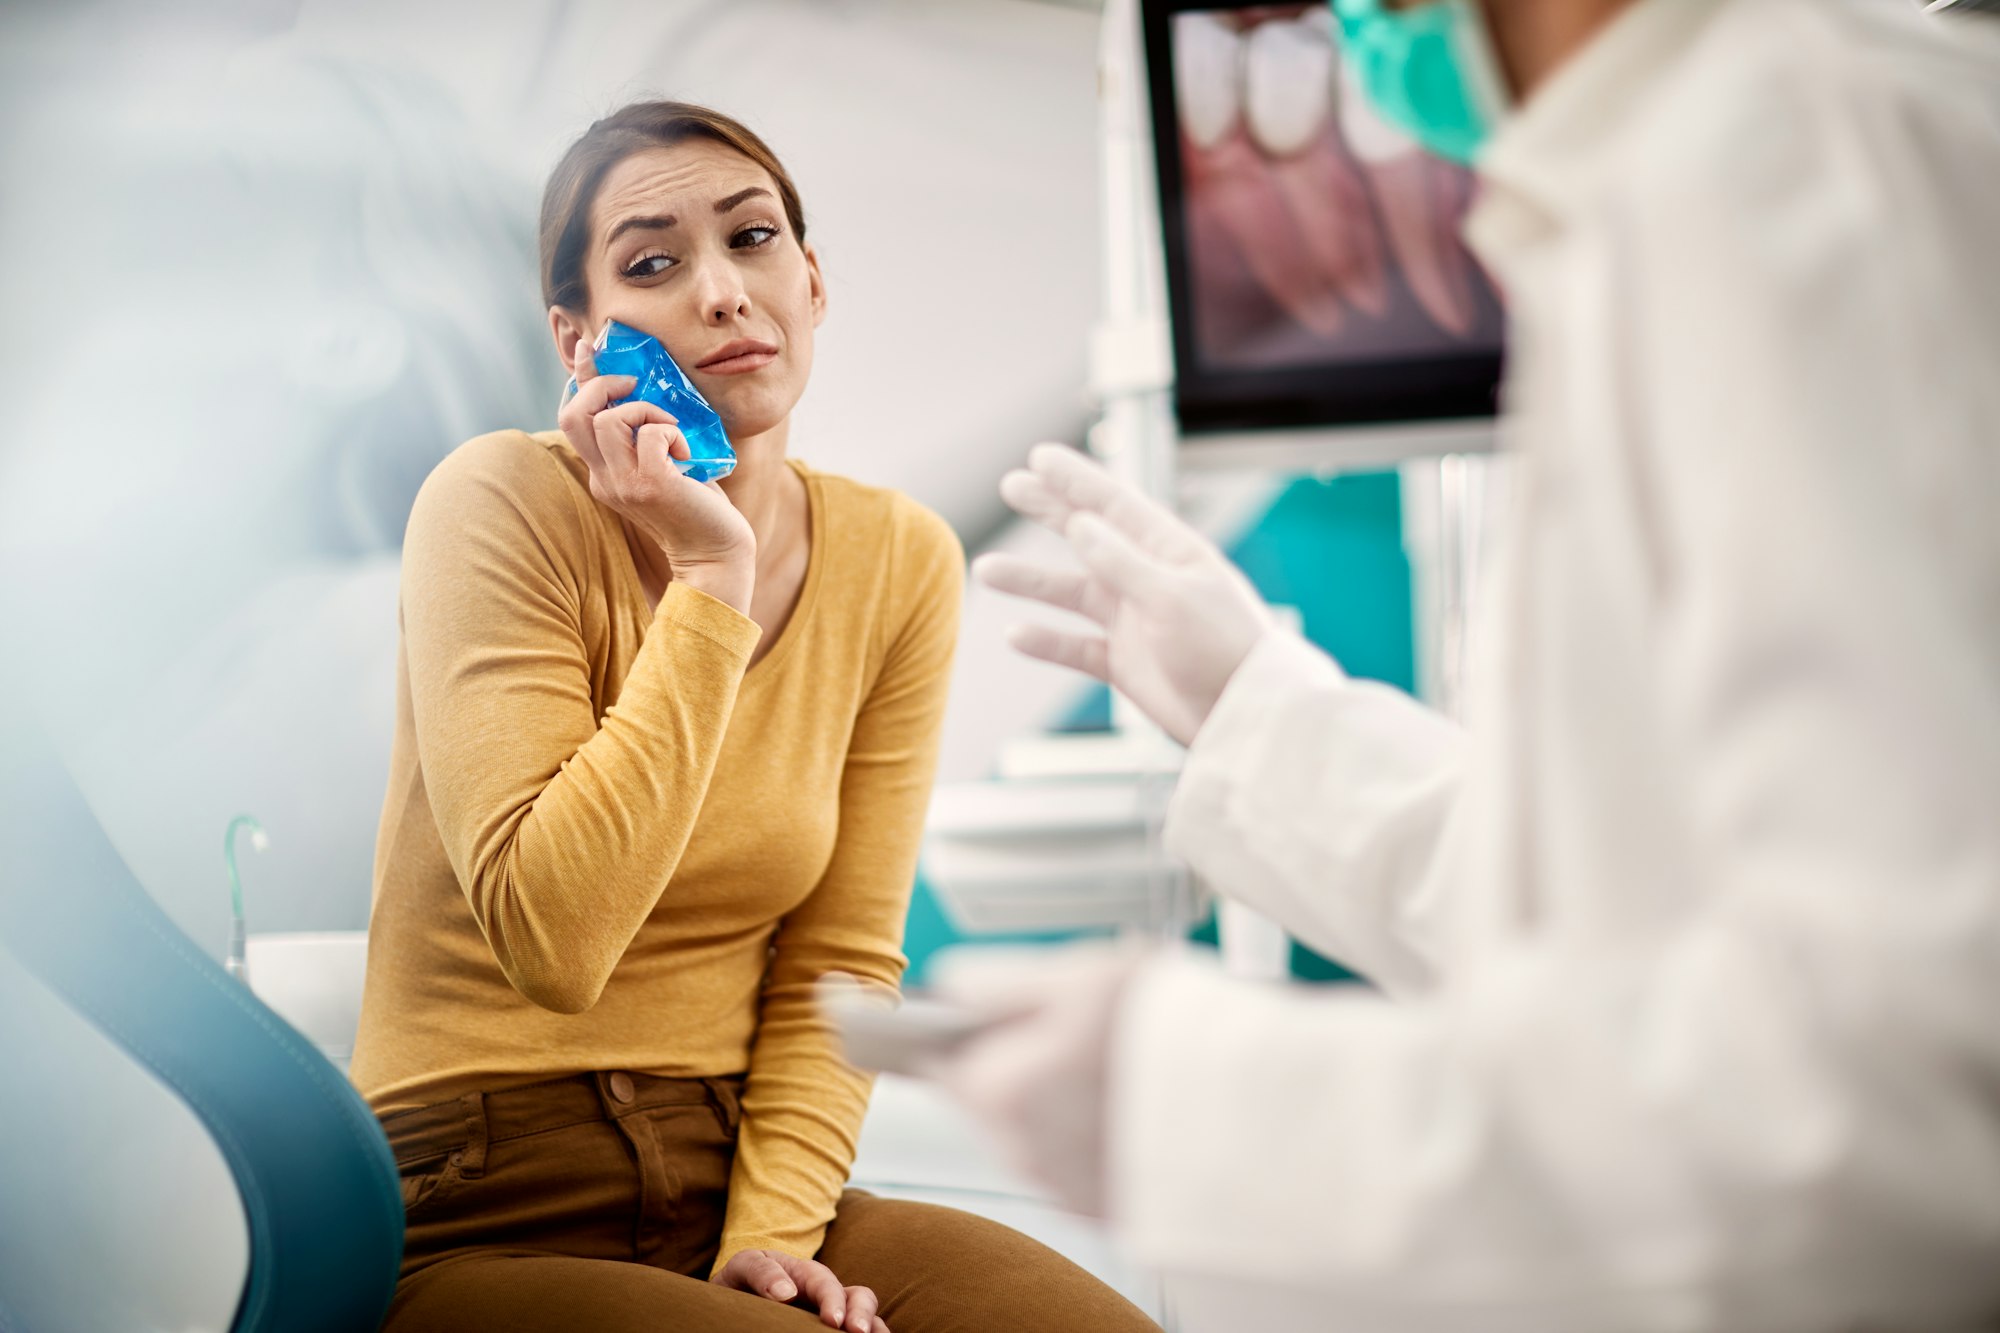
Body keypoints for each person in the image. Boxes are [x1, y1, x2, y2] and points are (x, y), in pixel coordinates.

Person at [931, 0, 2000, 1327]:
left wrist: (1203, 1106)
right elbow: (1649, 912)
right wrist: (1260, 709)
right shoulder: (1689, 180)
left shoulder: (1787, 174)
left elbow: (1898, 1107)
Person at [347, 100, 1158, 1333]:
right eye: (653, 263)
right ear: (579, 338)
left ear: (812, 280)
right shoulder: (495, 501)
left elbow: (841, 962)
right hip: (481, 1191)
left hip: (742, 1173)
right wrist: (708, 579)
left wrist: (773, 1235)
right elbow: (553, 941)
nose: (722, 291)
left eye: (753, 237)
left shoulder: (896, 559)